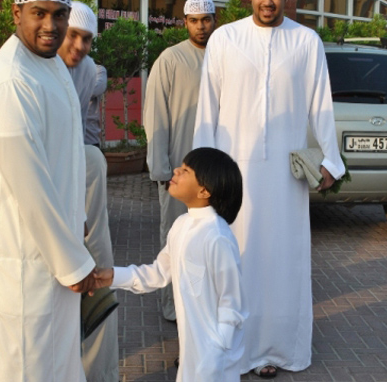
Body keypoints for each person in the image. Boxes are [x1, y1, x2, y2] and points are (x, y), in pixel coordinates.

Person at [192, 0, 345, 377]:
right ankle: (234, 348)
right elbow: (207, 109)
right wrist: (201, 171)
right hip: (233, 174)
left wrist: (331, 158)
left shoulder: (306, 41)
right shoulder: (225, 38)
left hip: (284, 177)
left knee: (282, 259)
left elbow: (321, 105)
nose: (268, 3)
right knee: (234, 257)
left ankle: (277, 349)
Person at [0, 1, 106, 381]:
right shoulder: (11, 81)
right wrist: (72, 261)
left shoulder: (49, 65)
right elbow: (29, 184)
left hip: (53, 246)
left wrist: (76, 225)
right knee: (26, 362)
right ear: (17, 13)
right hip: (22, 249)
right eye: (39, 13)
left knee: (57, 360)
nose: (51, 25)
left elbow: (64, 161)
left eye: (59, 15)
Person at [89, 147, 247, 382]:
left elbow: (232, 304)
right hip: (191, 354)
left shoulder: (218, 237)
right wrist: (111, 277)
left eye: (185, 170)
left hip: (215, 361)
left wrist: (216, 350)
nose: (175, 171)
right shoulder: (181, 225)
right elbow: (157, 273)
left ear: (204, 190)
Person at [56, 3, 119, 382]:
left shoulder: (86, 70)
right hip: (44, 190)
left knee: (95, 272)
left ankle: (100, 374)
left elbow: (75, 128)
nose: (78, 45)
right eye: (72, 35)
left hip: (81, 178)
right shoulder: (29, 71)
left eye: (86, 38)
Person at [143, 0, 216, 322]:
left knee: (213, 240)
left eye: (206, 20)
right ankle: (173, 307)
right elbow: (155, 116)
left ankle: (204, 303)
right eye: (194, 20)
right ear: (184, 22)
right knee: (176, 239)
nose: (201, 26)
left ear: (215, 20)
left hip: (216, 170)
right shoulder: (170, 59)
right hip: (179, 170)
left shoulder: (223, 57)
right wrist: (161, 169)